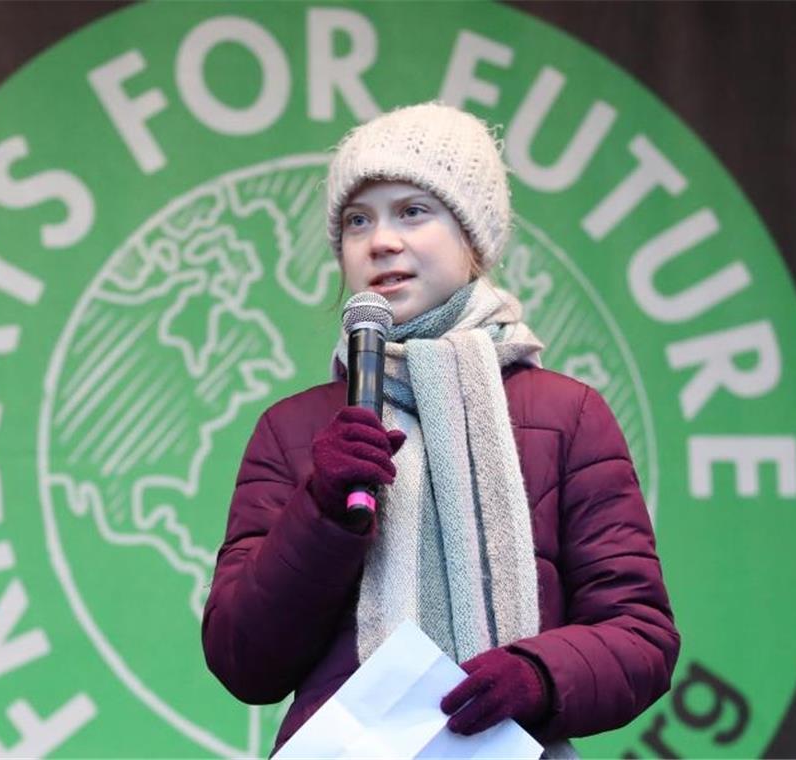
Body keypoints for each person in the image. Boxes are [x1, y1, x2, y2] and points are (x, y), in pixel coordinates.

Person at [201, 102, 679, 757]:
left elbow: (640, 636)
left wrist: (536, 675)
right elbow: (242, 661)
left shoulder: (569, 416)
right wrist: (321, 514)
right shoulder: (294, 430)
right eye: (357, 220)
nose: (381, 241)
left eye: (413, 211)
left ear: (474, 238)